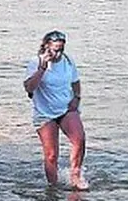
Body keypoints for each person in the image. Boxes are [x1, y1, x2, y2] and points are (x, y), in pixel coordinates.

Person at [23, 30, 88, 190]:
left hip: (66, 108)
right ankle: (53, 187)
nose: (58, 53)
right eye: (55, 49)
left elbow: (75, 82)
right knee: (52, 154)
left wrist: (76, 98)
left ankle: (75, 175)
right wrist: (43, 68)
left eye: (61, 49)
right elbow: (29, 88)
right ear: (46, 46)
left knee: (79, 139)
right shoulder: (35, 62)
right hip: (45, 113)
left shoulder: (67, 61)